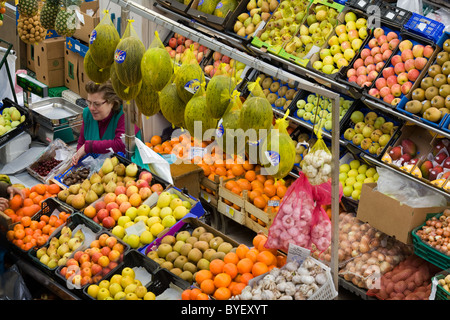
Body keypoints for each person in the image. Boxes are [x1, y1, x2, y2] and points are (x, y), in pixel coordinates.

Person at [72, 80, 139, 165]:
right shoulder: (87, 114)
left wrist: (88, 146)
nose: (92, 108)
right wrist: (78, 157)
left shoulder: (125, 116)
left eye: (97, 104)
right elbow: (81, 142)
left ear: (111, 102)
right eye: (89, 102)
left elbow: (121, 145)